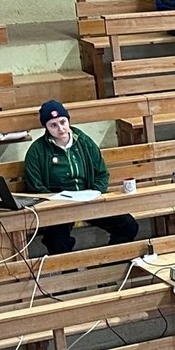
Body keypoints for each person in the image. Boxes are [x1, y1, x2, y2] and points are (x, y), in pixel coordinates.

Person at [21, 100, 139, 256]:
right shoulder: (37, 151)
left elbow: (102, 173)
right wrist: (55, 200)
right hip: (59, 206)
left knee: (128, 225)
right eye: (53, 125)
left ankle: (110, 264)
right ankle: (71, 274)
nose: (60, 128)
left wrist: (96, 192)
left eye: (63, 122)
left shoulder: (84, 142)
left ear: (68, 120)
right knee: (56, 240)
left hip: (88, 200)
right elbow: (35, 185)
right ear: (46, 127)